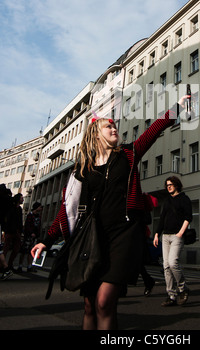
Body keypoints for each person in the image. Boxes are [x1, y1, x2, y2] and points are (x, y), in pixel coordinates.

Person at [32, 95, 190, 330]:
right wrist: (46, 240)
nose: (114, 128)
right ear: (96, 133)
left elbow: (152, 130)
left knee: (104, 302)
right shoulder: (81, 171)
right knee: (89, 306)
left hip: (123, 235)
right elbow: (69, 210)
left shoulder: (128, 154)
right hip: (92, 239)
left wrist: (175, 109)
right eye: (109, 126)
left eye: (115, 125)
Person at [153, 176, 192, 306]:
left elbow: (188, 217)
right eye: (167, 185)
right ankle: (171, 295)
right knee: (166, 266)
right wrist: (157, 234)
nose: (168, 186)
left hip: (177, 236)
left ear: (177, 185)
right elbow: (162, 218)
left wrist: (181, 232)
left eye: (171, 184)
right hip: (165, 236)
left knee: (173, 262)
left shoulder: (184, 199)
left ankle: (183, 288)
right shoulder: (167, 201)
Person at [17, 202, 43, 272]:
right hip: (28, 236)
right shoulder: (30, 215)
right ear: (36, 207)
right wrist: (30, 233)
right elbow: (27, 226)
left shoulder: (38, 216)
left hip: (34, 237)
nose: (41, 208)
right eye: (40, 207)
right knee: (24, 251)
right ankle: (20, 266)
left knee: (31, 251)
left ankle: (29, 266)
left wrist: (37, 234)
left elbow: (39, 226)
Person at [3, 193, 23, 270]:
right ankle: (3, 265)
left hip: (17, 231)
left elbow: (20, 221)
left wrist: (20, 230)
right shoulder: (11, 208)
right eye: (21, 198)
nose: (23, 199)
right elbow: (8, 220)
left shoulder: (20, 209)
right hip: (10, 231)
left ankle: (9, 264)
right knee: (5, 249)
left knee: (16, 249)